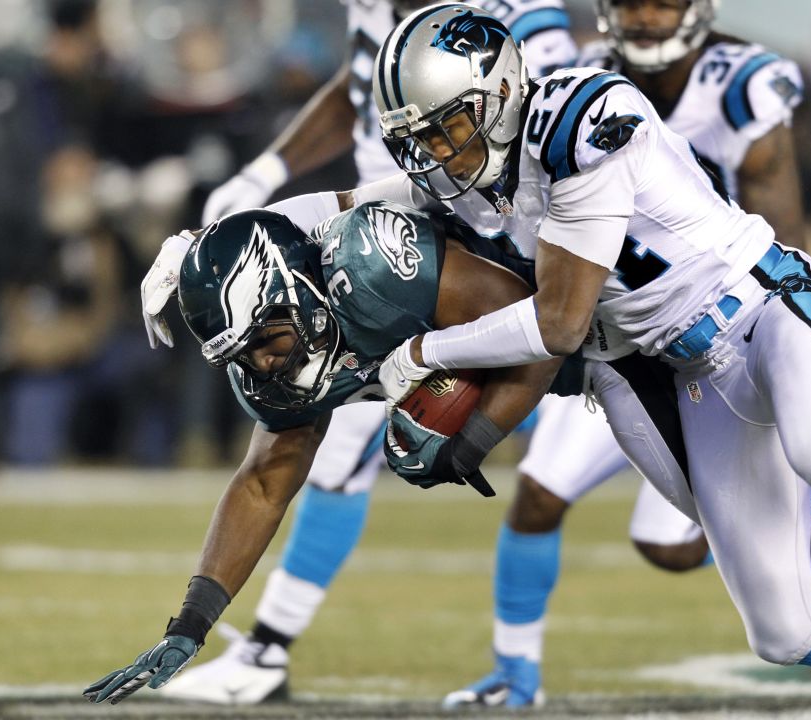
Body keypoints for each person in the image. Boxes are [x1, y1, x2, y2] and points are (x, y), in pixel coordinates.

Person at [341, 5, 811, 716]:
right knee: (783, 628)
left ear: (498, 96)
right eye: (421, 138)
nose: (438, 153)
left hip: (761, 306)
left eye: (449, 128)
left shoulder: (586, 114)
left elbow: (559, 322)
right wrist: (274, 214)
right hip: (677, 375)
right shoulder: (469, 179)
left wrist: (422, 353)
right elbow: (375, 200)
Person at [154, 0, 578, 704]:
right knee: (334, 428)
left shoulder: (512, 14)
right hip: (399, 226)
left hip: (503, 247)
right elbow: (357, 91)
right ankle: (267, 650)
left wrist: (467, 424)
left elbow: (559, 138)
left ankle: (267, 652)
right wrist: (262, 182)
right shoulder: (373, 14)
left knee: (605, 441)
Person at [444, 0, 811, 706]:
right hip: (612, 333)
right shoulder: (568, 86)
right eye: (631, 2)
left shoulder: (742, 89)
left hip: (723, 337)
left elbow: (784, 229)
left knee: (679, 547)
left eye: (662, 2)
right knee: (537, 495)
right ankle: (514, 674)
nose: (645, 18)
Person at [85, 199, 589, 705]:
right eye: (241, 354)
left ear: (296, 293)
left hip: (613, 340)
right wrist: (191, 624)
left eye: (263, 338)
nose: (261, 363)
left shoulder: (374, 265)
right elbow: (262, 485)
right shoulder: (268, 367)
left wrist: (471, 440)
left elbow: (538, 324)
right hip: (581, 375)